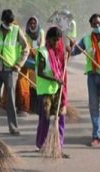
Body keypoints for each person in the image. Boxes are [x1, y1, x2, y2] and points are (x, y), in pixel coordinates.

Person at [70, 13, 100, 146]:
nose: (96, 26)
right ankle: (96, 135)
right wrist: (70, 48)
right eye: (94, 24)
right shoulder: (86, 39)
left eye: (99, 24)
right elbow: (76, 51)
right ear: (91, 25)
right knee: (93, 106)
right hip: (92, 76)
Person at [0, 9, 29, 135]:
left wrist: (19, 64)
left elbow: (26, 49)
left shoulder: (17, 31)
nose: (9, 25)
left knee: (11, 99)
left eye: (11, 22)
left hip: (11, 69)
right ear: (2, 20)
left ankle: (13, 127)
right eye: (7, 22)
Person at [35, 26, 70, 158]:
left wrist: (68, 53)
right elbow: (40, 72)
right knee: (44, 119)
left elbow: (62, 67)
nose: (56, 43)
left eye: (58, 41)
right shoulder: (42, 52)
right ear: (48, 39)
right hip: (45, 91)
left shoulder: (57, 52)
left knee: (60, 118)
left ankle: (58, 145)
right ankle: (41, 144)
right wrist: (54, 78)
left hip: (56, 90)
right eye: (54, 40)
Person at [1, 16, 45, 116]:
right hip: (21, 64)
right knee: (15, 85)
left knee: (30, 86)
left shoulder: (41, 33)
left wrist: (36, 59)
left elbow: (40, 48)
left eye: (34, 23)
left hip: (36, 63)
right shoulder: (24, 35)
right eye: (30, 23)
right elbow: (22, 51)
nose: (32, 25)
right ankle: (12, 106)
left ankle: (26, 107)